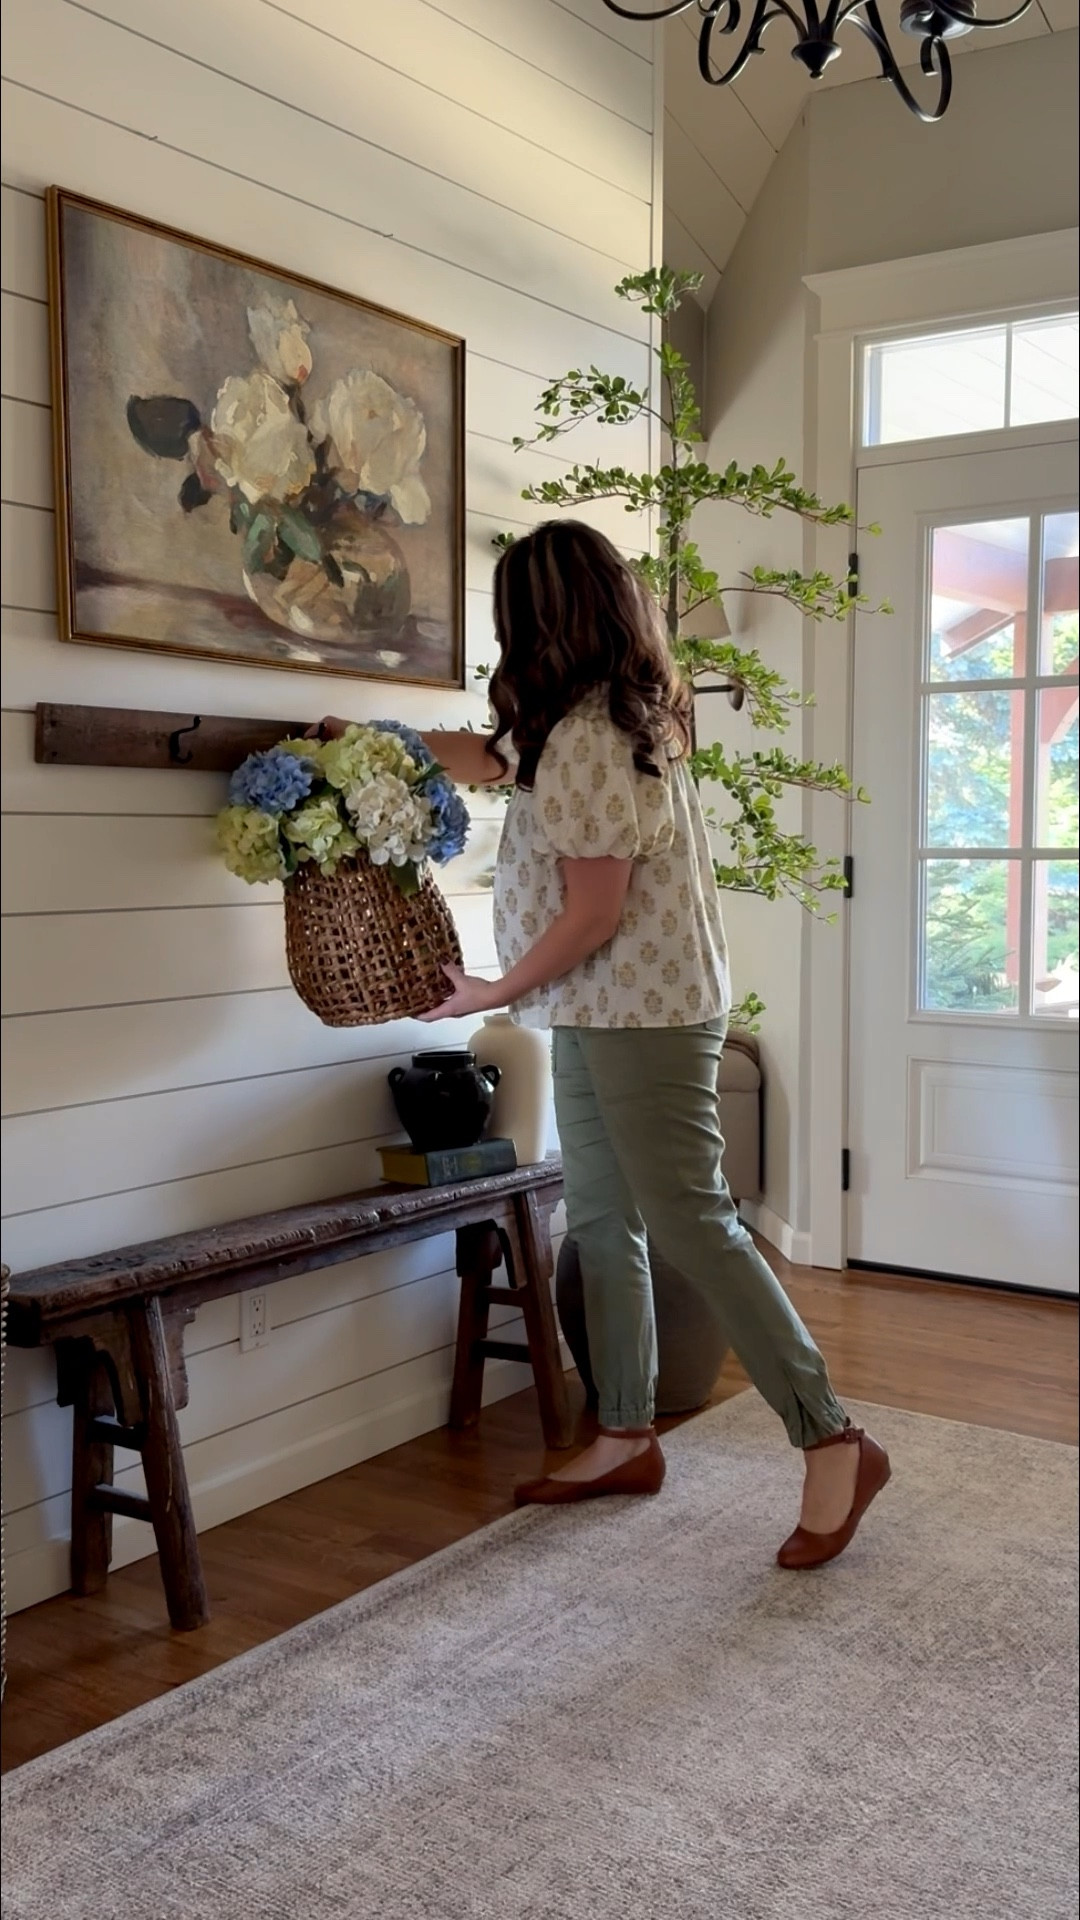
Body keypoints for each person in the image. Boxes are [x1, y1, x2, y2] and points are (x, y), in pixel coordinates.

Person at [316, 520, 889, 1569]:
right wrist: (372, 744)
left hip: (644, 1009)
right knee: (603, 1213)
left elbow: (592, 915)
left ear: (537, 617)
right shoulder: (582, 719)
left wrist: (493, 988)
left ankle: (834, 1435)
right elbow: (487, 759)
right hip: (601, 1007)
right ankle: (624, 1431)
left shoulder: (589, 735)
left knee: (692, 1222)